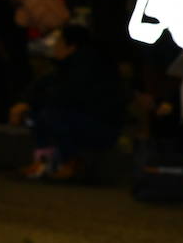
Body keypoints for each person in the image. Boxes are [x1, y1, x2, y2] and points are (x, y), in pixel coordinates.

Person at [11, 24, 125, 180]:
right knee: (35, 115)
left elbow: (68, 96)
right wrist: (25, 102)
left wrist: (33, 102)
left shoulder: (88, 66)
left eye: (58, 42)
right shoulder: (67, 65)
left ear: (71, 46)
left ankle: (71, 162)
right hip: (81, 119)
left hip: (101, 125)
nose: (54, 47)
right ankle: (45, 163)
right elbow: (42, 85)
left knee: (51, 114)